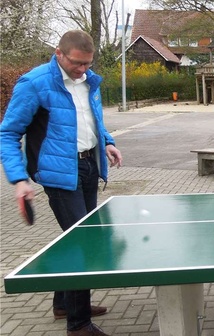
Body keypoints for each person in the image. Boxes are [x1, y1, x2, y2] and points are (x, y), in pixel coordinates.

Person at [0, 30, 123, 336]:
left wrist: (106, 142)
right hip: (58, 175)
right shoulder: (35, 83)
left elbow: (91, 118)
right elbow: (7, 133)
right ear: (59, 53)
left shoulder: (89, 81)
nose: (83, 70)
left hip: (89, 168)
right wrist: (18, 179)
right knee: (82, 245)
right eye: (78, 64)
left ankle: (64, 303)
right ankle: (78, 324)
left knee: (81, 238)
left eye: (88, 64)